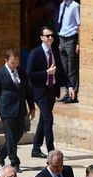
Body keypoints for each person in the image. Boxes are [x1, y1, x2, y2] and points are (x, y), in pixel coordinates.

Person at [0, 48, 35, 171]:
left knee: (18, 133)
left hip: (20, 108)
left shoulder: (22, 72)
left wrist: (32, 107)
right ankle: (14, 161)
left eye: (16, 62)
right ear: (6, 60)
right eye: (12, 62)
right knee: (9, 135)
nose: (15, 65)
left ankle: (2, 151)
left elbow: (27, 91)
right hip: (7, 109)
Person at [26, 26, 66, 158]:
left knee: (44, 119)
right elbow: (30, 73)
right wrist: (46, 72)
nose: (50, 38)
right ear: (41, 37)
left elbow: (60, 70)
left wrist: (70, 86)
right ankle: (51, 151)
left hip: (51, 90)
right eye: (47, 36)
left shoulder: (54, 51)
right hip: (40, 91)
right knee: (48, 118)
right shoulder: (35, 53)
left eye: (52, 36)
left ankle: (36, 148)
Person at [54, 0, 80, 103]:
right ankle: (67, 92)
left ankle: (73, 94)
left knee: (72, 68)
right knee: (64, 68)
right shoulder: (62, 5)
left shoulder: (75, 6)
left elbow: (79, 24)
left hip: (71, 39)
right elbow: (61, 22)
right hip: (62, 38)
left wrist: (79, 42)